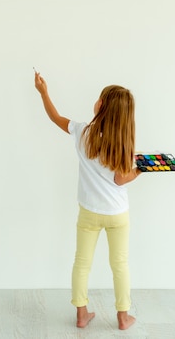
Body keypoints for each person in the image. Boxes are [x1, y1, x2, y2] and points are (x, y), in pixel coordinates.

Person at [34, 71, 140, 330]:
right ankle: (123, 317)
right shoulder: (123, 143)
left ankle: (82, 314)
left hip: (89, 212)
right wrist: (139, 169)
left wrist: (44, 93)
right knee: (120, 264)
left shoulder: (83, 132)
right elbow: (119, 180)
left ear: (101, 106)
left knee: (82, 262)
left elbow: (55, 117)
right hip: (117, 213)